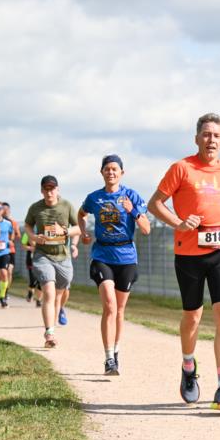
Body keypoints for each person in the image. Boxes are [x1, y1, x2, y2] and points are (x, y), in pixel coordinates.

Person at [148, 113, 220, 412]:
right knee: (192, 316)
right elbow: (155, 203)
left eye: (217, 135)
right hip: (188, 253)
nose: (211, 140)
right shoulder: (181, 168)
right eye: (206, 134)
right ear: (197, 138)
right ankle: (188, 365)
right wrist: (178, 223)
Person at [78, 154, 150, 375]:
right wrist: (83, 232)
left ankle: (116, 351)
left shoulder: (131, 196)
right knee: (109, 305)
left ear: (122, 173)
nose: (111, 172)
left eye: (114, 169)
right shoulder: (95, 197)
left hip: (126, 256)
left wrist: (133, 211)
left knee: (119, 310)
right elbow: (81, 214)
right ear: (101, 172)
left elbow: (146, 229)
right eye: (107, 169)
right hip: (102, 254)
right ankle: (109, 358)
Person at [24, 175, 80, 348]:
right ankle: (50, 333)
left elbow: (79, 227)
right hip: (43, 255)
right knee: (49, 292)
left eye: (52, 188)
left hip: (63, 257)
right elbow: (27, 226)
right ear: (42, 190)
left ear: (58, 189)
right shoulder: (35, 208)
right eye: (46, 189)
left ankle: (60, 309)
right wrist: (33, 237)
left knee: (60, 294)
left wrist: (67, 236)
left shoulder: (67, 206)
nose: (49, 192)